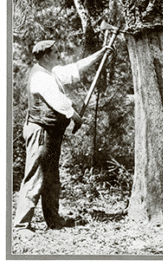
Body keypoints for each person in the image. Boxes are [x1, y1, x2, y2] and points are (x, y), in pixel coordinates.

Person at [14, 40, 114, 239]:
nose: (59, 54)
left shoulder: (51, 72)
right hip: (40, 131)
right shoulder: (40, 77)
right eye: (55, 52)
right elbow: (58, 102)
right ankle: (21, 224)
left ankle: (54, 220)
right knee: (35, 176)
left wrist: (100, 54)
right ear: (45, 56)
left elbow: (74, 68)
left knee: (51, 178)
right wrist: (75, 116)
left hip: (51, 132)